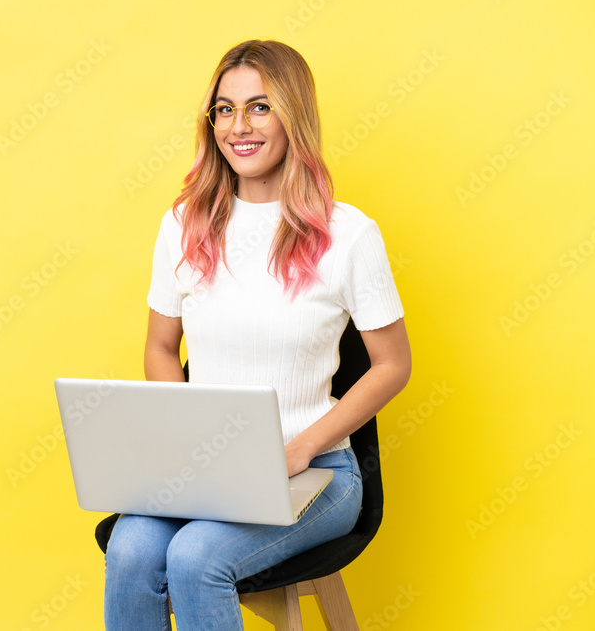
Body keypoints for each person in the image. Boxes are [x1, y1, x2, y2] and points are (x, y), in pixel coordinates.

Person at [103, 39, 412, 630]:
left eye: (260, 107)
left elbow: (392, 365)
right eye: (224, 109)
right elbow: (160, 348)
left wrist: (297, 450)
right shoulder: (183, 225)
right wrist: (183, 439)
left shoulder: (349, 234)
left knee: (196, 559)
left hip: (318, 474)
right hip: (204, 471)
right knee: (132, 546)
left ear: (293, 114)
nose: (237, 126)